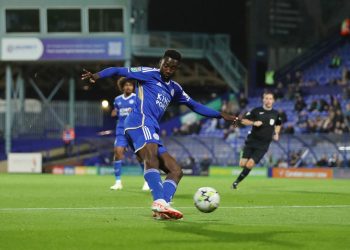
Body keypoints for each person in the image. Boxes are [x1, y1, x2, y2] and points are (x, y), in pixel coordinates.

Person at [82, 49, 238, 220]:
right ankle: (158, 200)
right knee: (151, 154)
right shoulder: (148, 74)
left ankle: (163, 207)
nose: (168, 69)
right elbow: (119, 70)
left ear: (176, 69)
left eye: (173, 67)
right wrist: (97, 75)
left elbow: (195, 105)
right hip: (139, 121)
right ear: (161, 63)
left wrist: (221, 114)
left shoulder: (174, 89)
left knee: (176, 170)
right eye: (166, 65)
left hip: (152, 127)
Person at [232, 91, 282, 189]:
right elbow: (243, 120)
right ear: (263, 100)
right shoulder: (256, 111)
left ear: (273, 101)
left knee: (250, 164)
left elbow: (278, 124)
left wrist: (276, 133)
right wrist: (253, 123)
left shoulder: (276, 114)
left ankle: (236, 182)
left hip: (263, 145)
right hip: (251, 141)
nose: (268, 100)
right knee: (242, 164)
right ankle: (244, 167)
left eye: (270, 99)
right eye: (266, 98)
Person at [110, 77, 150, 191]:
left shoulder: (137, 99)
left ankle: (147, 181)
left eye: (130, 85)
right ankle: (118, 182)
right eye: (126, 85)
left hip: (134, 130)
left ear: (133, 87)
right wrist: (114, 113)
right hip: (121, 131)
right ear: (122, 87)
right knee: (117, 153)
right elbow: (116, 112)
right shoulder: (117, 100)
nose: (128, 87)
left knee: (140, 157)